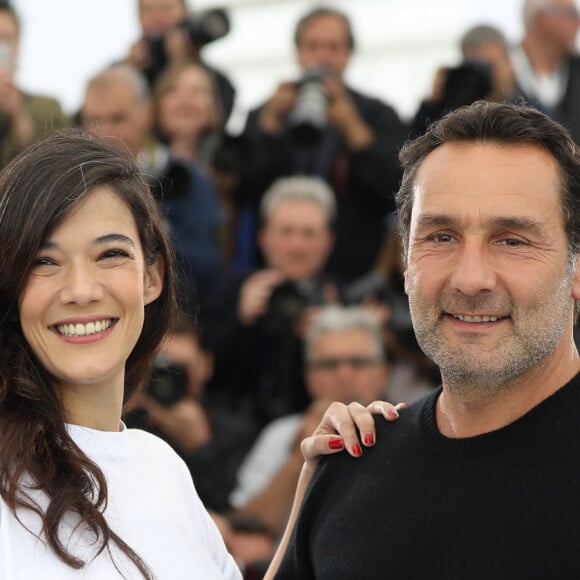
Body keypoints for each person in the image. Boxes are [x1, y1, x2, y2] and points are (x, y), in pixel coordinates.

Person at [266, 100, 580, 579]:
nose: (470, 279)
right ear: (406, 265)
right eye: (441, 237)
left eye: (512, 240)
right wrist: (316, 490)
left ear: (576, 268)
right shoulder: (349, 466)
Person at [0, 130, 241, 578]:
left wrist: (320, 482)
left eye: (109, 254)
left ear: (152, 278)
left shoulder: (163, 467)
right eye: (44, 261)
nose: (81, 291)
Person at [237, 6, 407, 282]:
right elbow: (245, 191)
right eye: (313, 46)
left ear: (348, 53)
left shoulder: (377, 113)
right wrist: (269, 127)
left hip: (354, 270)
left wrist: (354, 129)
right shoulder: (267, 112)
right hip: (276, 271)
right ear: (298, 52)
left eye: (333, 47)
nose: (322, 57)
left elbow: (397, 189)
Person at [224, 305, 389, 566]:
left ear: (382, 371)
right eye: (329, 365)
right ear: (309, 377)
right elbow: (247, 531)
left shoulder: (409, 427)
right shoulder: (283, 434)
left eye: (358, 362)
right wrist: (298, 456)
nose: (344, 375)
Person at [81, 63, 222, 312]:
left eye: (117, 118)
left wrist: (157, 229)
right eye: (94, 121)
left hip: (173, 322)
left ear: (146, 113)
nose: (104, 132)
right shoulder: (70, 184)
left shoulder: (185, 178)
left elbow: (208, 263)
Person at [204, 175, 338, 426]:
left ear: (328, 241)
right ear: (263, 237)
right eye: (286, 232)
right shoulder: (228, 289)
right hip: (235, 428)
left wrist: (332, 334)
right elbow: (206, 373)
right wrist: (240, 320)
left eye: (309, 234)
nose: (297, 246)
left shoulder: (341, 298)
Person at [124, 319, 259, 514]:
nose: (173, 377)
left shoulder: (235, 431)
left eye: (184, 367)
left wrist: (199, 446)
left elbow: (227, 506)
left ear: (206, 365)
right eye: (164, 366)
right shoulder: (126, 420)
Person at [127, 0, 235, 121]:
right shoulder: (130, 70)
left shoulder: (217, 82)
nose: (158, 19)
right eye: (149, 10)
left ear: (185, 14)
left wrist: (184, 63)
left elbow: (217, 120)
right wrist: (129, 72)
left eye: (167, 9)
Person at [0, 2, 68, 168]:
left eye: (7, 40)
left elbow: (61, 170)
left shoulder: (48, 110)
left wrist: (19, 118)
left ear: (18, 45)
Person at [512, 0, 580, 143]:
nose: (578, 22)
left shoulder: (576, 70)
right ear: (539, 19)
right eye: (571, 14)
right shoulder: (502, 69)